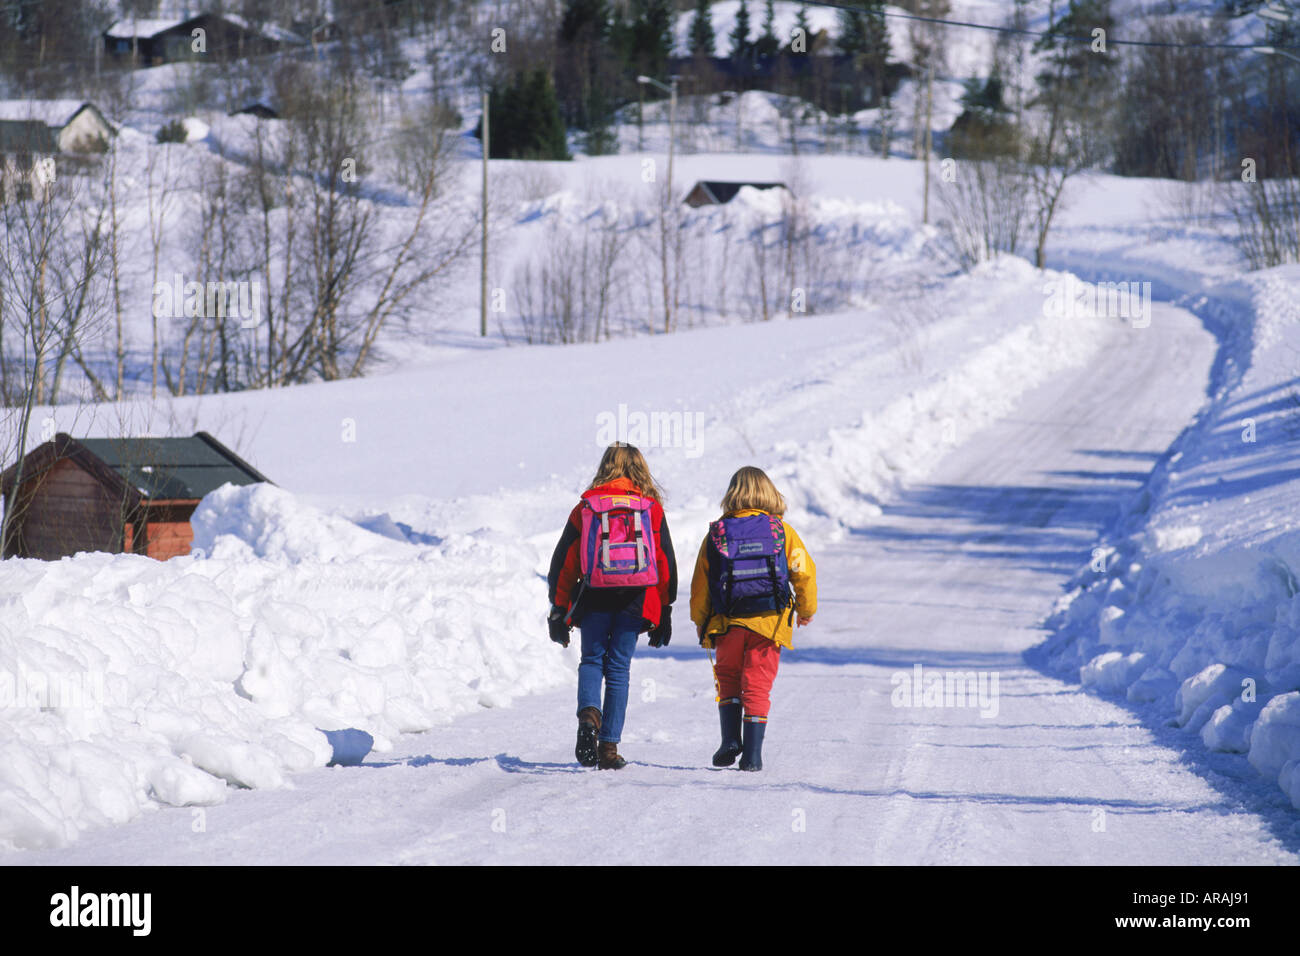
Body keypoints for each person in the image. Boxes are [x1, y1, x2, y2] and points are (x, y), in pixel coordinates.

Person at [547, 444, 677, 769]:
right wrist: (665, 610)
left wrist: (558, 608)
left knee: (591, 660)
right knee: (618, 669)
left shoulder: (586, 508)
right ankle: (608, 750)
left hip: (594, 595)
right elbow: (664, 563)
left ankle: (589, 717)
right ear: (641, 471)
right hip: (636, 598)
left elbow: (564, 563)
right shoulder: (650, 509)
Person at [690, 466, 817, 771]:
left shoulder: (717, 534)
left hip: (728, 622)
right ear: (769, 493)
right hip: (769, 625)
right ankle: (753, 756)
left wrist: (701, 622)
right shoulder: (780, 531)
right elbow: (803, 571)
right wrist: (805, 609)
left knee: (729, 679)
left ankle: (730, 740)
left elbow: (701, 585)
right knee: (757, 686)